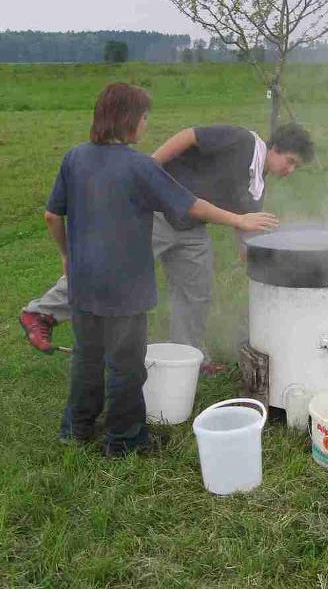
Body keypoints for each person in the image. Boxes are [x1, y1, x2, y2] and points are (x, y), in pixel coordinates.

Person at [46, 82, 278, 456]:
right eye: (144, 118)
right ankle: (124, 440)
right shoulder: (141, 166)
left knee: (88, 357)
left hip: (84, 282)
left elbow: (51, 215)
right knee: (126, 366)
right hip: (126, 288)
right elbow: (191, 205)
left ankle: (76, 429)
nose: (147, 124)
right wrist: (240, 219)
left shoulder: (75, 157)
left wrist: (66, 255)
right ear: (130, 120)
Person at [20, 119, 315, 370]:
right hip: (156, 214)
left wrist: (247, 253)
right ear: (275, 147)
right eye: (290, 161)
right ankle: (41, 312)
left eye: (296, 167)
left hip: (192, 227)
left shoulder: (257, 182)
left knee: (196, 292)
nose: (290, 170)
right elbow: (190, 136)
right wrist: (148, 169)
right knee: (111, 268)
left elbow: (244, 221)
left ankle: (189, 358)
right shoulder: (241, 141)